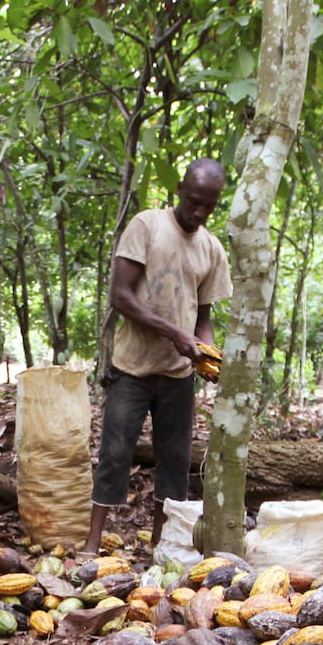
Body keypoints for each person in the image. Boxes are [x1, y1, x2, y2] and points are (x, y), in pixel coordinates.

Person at [81, 158, 232, 556]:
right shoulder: (148, 226)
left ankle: (160, 547)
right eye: (194, 201)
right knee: (114, 452)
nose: (199, 212)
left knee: (174, 462)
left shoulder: (212, 249)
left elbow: (203, 318)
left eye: (208, 206)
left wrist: (207, 355)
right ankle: (92, 543)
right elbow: (121, 296)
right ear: (181, 189)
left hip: (178, 376)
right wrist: (174, 333)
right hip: (132, 367)